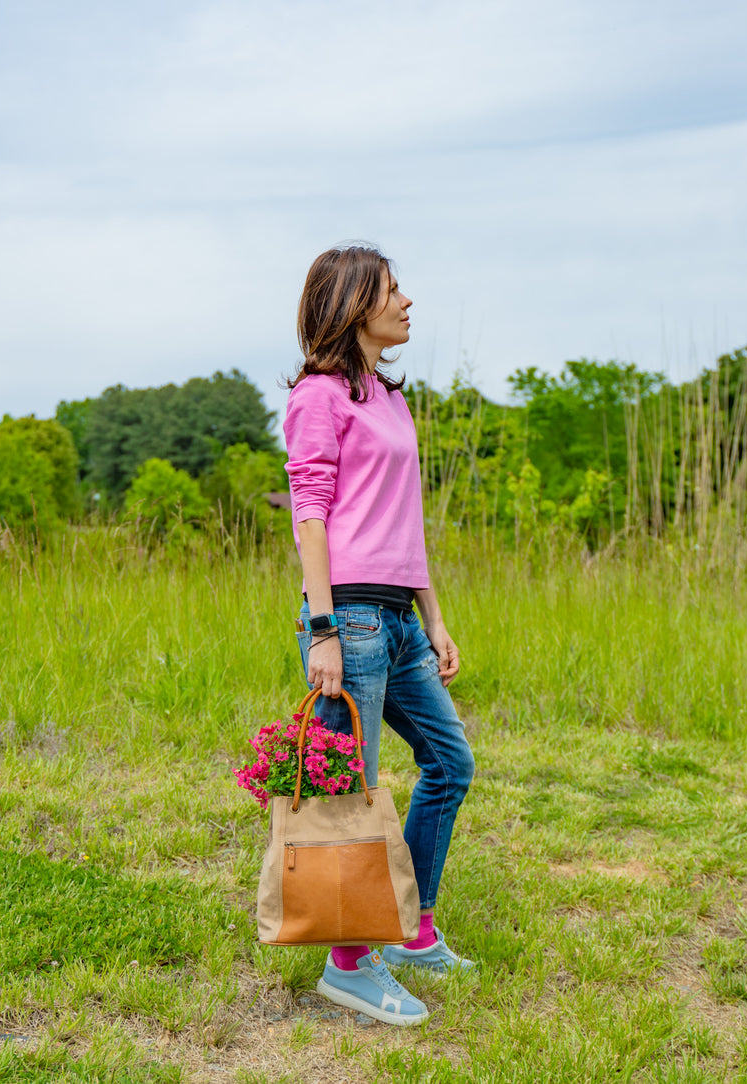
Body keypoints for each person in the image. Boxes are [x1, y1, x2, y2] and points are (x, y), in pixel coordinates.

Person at [283, 244, 476, 1027]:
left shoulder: (390, 402)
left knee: (448, 764)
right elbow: (310, 514)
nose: (406, 303)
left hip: (399, 617)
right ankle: (348, 964)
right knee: (348, 793)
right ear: (353, 303)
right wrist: (323, 627)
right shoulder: (318, 398)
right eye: (392, 291)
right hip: (351, 618)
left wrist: (435, 618)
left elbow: (409, 523)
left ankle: (412, 928)